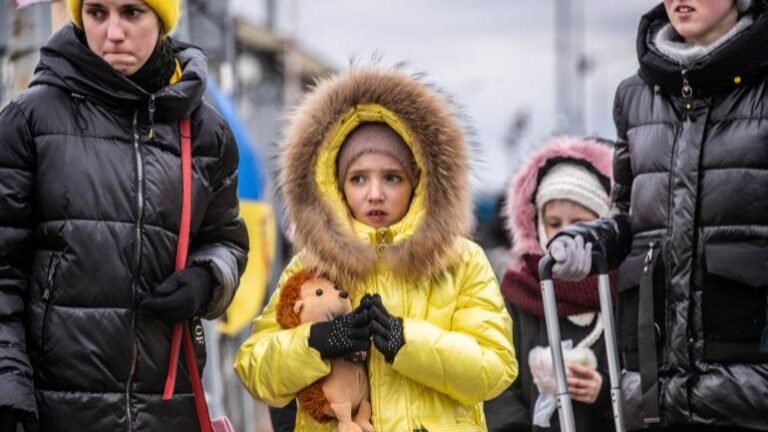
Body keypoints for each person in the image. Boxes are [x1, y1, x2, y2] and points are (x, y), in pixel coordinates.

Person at [0, 1, 249, 430]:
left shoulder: (207, 132)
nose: (113, 32)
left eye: (131, 12)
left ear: (163, 20)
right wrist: (9, 398)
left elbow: (227, 241)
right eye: (97, 13)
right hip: (56, 414)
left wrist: (207, 278)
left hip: (169, 411)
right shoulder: (28, 122)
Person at [235, 66, 517, 431]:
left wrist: (407, 342)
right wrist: (317, 342)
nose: (375, 194)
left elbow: (495, 367)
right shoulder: (312, 264)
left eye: (392, 177)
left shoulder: (462, 261)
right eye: (358, 178)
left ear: (419, 181)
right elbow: (255, 369)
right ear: (335, 184)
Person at [547, 0, 768, 430]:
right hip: (653, 393)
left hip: (749, 393)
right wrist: (588, 242)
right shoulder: (634, 94)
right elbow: (629, 216)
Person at [483, 136, 616, 431]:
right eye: (554, 223)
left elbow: (644, 381)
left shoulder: (620, 291)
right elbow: (498, 382)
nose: (564, 236)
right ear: (538, 226)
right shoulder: (519, 293)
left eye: (579, 222)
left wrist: (604, 393)